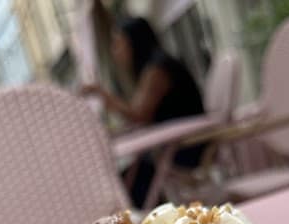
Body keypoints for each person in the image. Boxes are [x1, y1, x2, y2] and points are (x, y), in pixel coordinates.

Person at [82, 16, 205, 207]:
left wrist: (104, 96)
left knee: (129, 183)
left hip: (186, 146)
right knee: (129, 178)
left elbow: (140, 113)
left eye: (119, 44)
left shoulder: (158, 69)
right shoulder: (153, 67)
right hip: (173, 143)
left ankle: (151, 222)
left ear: (134, 42)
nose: (115, 52)